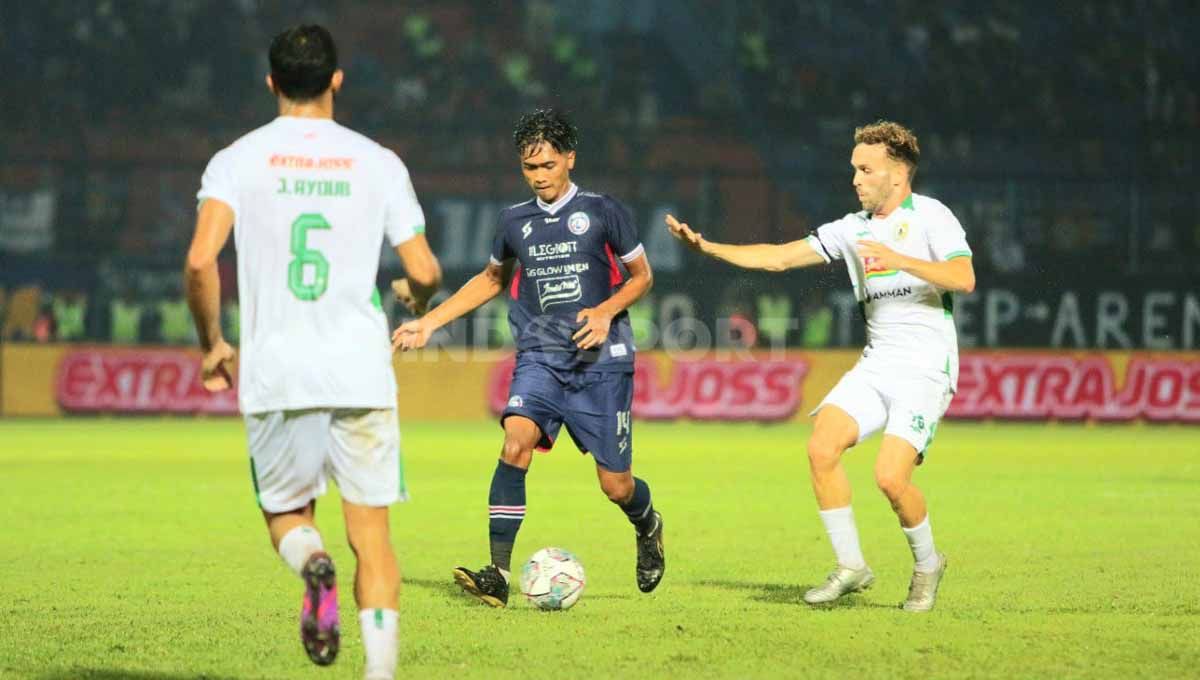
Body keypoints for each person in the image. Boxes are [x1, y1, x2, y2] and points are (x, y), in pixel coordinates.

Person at [183, 25, 441, 679]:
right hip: (360, 371)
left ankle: (310, 564)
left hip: (277, 372)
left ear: (271, 83)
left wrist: (213, 344)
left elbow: (199, 261)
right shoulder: (377, 160)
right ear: (336, 80)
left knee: (286, 514)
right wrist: (414, 290)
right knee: (373, 539)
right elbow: (425, 269)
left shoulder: (237, 159)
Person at [666, 121, 974, 612]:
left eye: (865, 169)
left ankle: (928, 563)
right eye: (853, 168)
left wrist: (899, 258)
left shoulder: (933, 217)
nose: (854, 178)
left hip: (926, 370)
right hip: (877, 365)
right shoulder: (852, 228)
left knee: (891, 479)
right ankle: (852, 567)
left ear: (895, 175)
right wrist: (709, 247)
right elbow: (779, 259)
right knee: (821, 447)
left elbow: (963, 276)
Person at [392, 108, 665, 607]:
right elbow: (492, 279)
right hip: (540, 357)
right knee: (515, 440)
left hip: (601, 364)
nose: (539, 176)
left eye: (547, 165)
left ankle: (647, 523)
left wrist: (605, 312)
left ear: (569, 159)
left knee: (615, 485)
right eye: (529, 168)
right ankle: (496, 573)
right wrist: (430, 322)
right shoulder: (513, 220)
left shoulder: (604, 211)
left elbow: (642, 276)